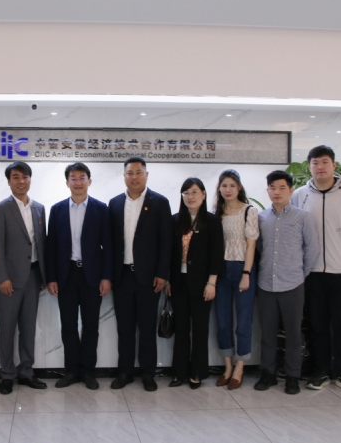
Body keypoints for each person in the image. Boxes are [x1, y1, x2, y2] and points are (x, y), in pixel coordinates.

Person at [290, 145, 341, 394]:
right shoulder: (300, 195)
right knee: (317, 325)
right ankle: (321, 371)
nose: (320, 167)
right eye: (315, 163)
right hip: (312, 273)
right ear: (309, 167)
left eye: (325, 162)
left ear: (334, 165)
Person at [45, 162, 113, 390]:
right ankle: (72, 371)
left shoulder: (100, 209)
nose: (78, 182)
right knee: (68, 325)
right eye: (73, 178)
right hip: (66, 275)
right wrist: (51, 278)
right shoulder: (57, 210)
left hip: (91, 275)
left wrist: (106, 277)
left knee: (91, 326)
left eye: (82, 177)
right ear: (67, 183)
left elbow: (108, 246)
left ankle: (88, 372)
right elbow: (51, 247)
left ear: (89, 181)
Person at [108, 157, 172, 392]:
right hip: (122, 276)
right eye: (130, 173)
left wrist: (162, 273)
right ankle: (125, 372)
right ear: (124, 176)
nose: (134, 177)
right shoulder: (115, 203)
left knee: (147, 328)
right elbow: (110, 242)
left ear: (146, 175)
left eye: (138, 172)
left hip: (149, 278)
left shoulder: (160, 202)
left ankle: (148, 373)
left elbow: (166, 241)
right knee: (124, 328)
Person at [254, 170, 319, 395]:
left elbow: (312, 249)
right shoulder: (262, 218)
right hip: (266, 284)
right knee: (268, 333)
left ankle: (292, 377)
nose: (277, 192)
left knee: (293, 334)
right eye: (273, 188)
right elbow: (258, 249)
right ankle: (268, 374)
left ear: (291, 190)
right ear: (267, 191)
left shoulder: (302, 217)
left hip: (293, 284)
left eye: (282, 188)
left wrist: (300, 274)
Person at [0, 161, 48, 395]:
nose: (21, 181)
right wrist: (2, 277)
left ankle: (26, 371)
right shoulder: (0, 209)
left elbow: (41, 244)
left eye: (25, 177)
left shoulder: (39, 209)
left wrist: (43, 275)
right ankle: (7, 374)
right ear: (9, 181)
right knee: (7, 328)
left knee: (28, 328)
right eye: (16, 177)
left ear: (30, 180)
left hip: (33, 277)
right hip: (9, 280)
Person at [165, 177, 223, 389]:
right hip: (178, 282)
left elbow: (217, 254)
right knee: (181, 329)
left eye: (195, 192)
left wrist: (212, 283)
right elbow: (169, 253)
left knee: (200, 329)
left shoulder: (212, 221)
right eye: (186, 193)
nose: (190, 197)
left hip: (202, 284)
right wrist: (168, 279)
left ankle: (197, 373)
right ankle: (179, 373)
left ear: (204, 194)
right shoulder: (175, 221)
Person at [213, 169, 259, 390]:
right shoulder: (216, 213)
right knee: (222, 321)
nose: (228, 190)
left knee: (243, 322)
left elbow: (251, 245)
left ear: (239, 187)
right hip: (220, 271)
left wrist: (246, 274)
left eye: (232, 185)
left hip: (242, 268)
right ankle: (227, 367)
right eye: (224, 186)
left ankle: (240, 368)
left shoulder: (249, 211)